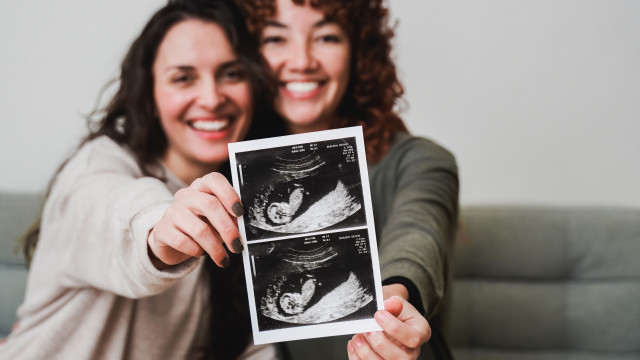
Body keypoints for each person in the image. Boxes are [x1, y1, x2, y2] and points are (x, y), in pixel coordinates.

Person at [0, 1, 284, 359]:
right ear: (149, 94)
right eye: (183, 77)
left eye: (231, 74)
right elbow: (113, 209)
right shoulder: (98, 165)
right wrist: (160, 230)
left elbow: (251, 349)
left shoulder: (253, 201)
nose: (212, 98)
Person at [237, 0, 460, 359]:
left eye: (326, 37)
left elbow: (419, 232)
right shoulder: (232, 173)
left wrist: (395, 299)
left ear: (358, 52)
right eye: (276, 39)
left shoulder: (419, 161)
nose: (302, 60)